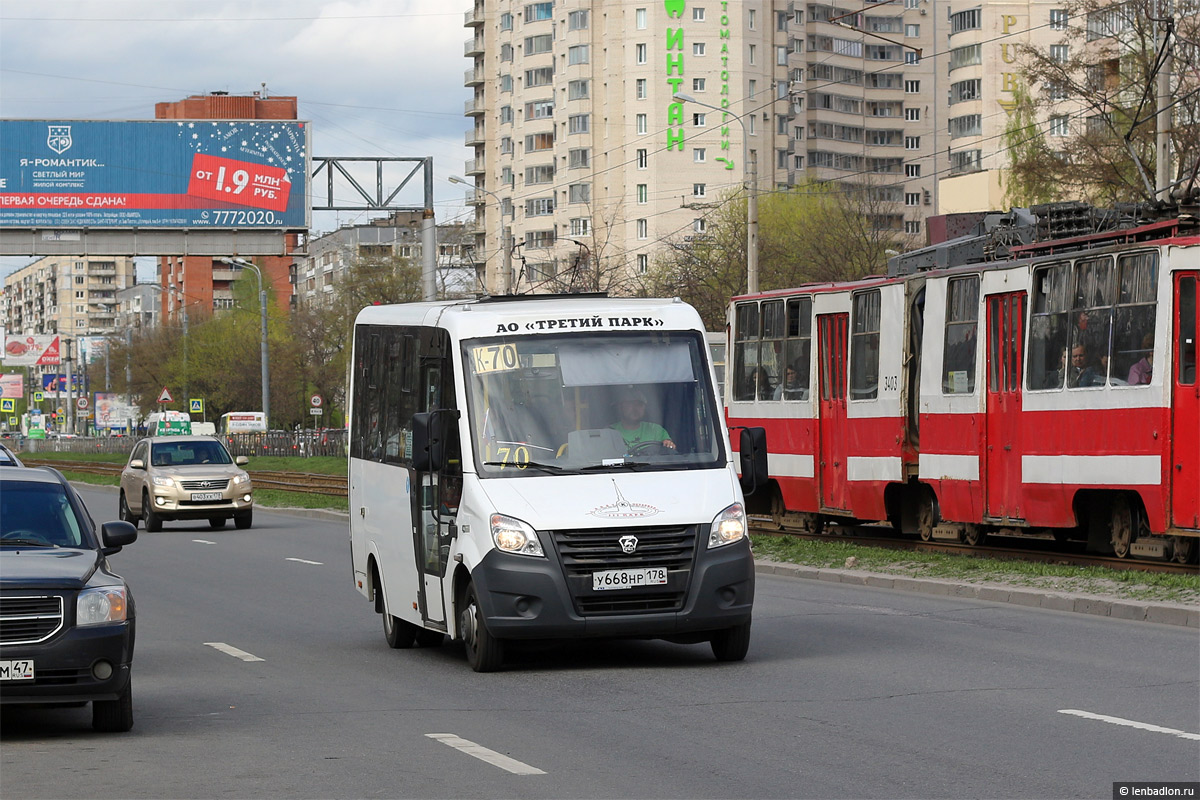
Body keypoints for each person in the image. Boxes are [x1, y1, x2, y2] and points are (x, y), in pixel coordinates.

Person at [610, 388, 675, 452]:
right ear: (620, 407)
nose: (635, 408)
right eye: (630, 404)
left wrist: (668, 444)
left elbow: (669, 450)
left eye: (639, 405)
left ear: (645, 408)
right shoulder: (610, 432)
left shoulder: (656, 430)